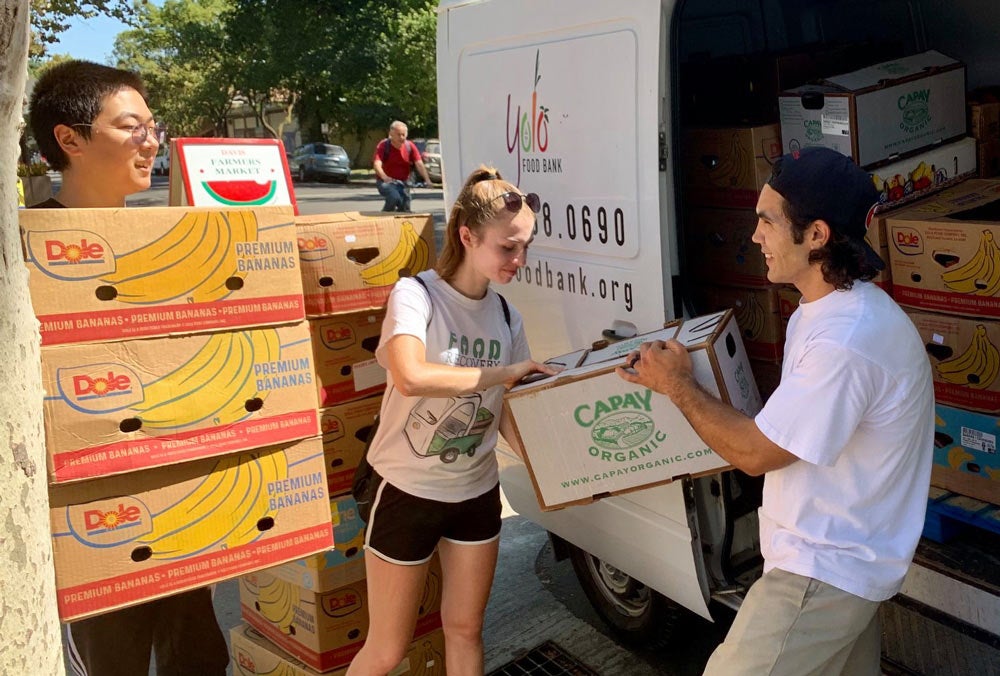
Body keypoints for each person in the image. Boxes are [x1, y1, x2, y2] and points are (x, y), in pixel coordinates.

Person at [618, 147, 934, 676]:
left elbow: (755, 453)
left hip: (822, 572)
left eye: (767, 220)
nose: (755, 235)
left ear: (816, 235)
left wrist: (677, 385)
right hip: (837, 566)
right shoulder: (830, 312)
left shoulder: (846, 341)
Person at [29, 59, 230, 676]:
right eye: (131, 127)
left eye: (153, 127)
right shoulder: (29, 252)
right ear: (70, 139)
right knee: (110, 659)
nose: (151, 142)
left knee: (197, 654)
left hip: (173, 496)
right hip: (91, 513)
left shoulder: (161, 239)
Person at [347, 166, 556, 676]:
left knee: (465, 631)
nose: (519, 260)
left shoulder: (508, 317)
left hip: (476, 493)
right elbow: (410, 375)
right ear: (467, 235)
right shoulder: (416, 295)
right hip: (406, 490)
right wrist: (504, 373)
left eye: (526, 247)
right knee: (387, 649)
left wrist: (555, 467)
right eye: (508, 247)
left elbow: (504, 412)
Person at [373, 120, 431, 212]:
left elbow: (419, 164)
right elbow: (377, 164)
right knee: (394, 197)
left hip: (403, 183)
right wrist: (385, 177)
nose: (401, 137)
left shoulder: (410, 146)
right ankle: (384, 216)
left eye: (403, 135)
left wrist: (427, 180)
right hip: (386, 182)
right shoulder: (383, 145)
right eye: (398, 134)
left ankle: (399, 221)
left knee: (405, 207)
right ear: (391, 134)